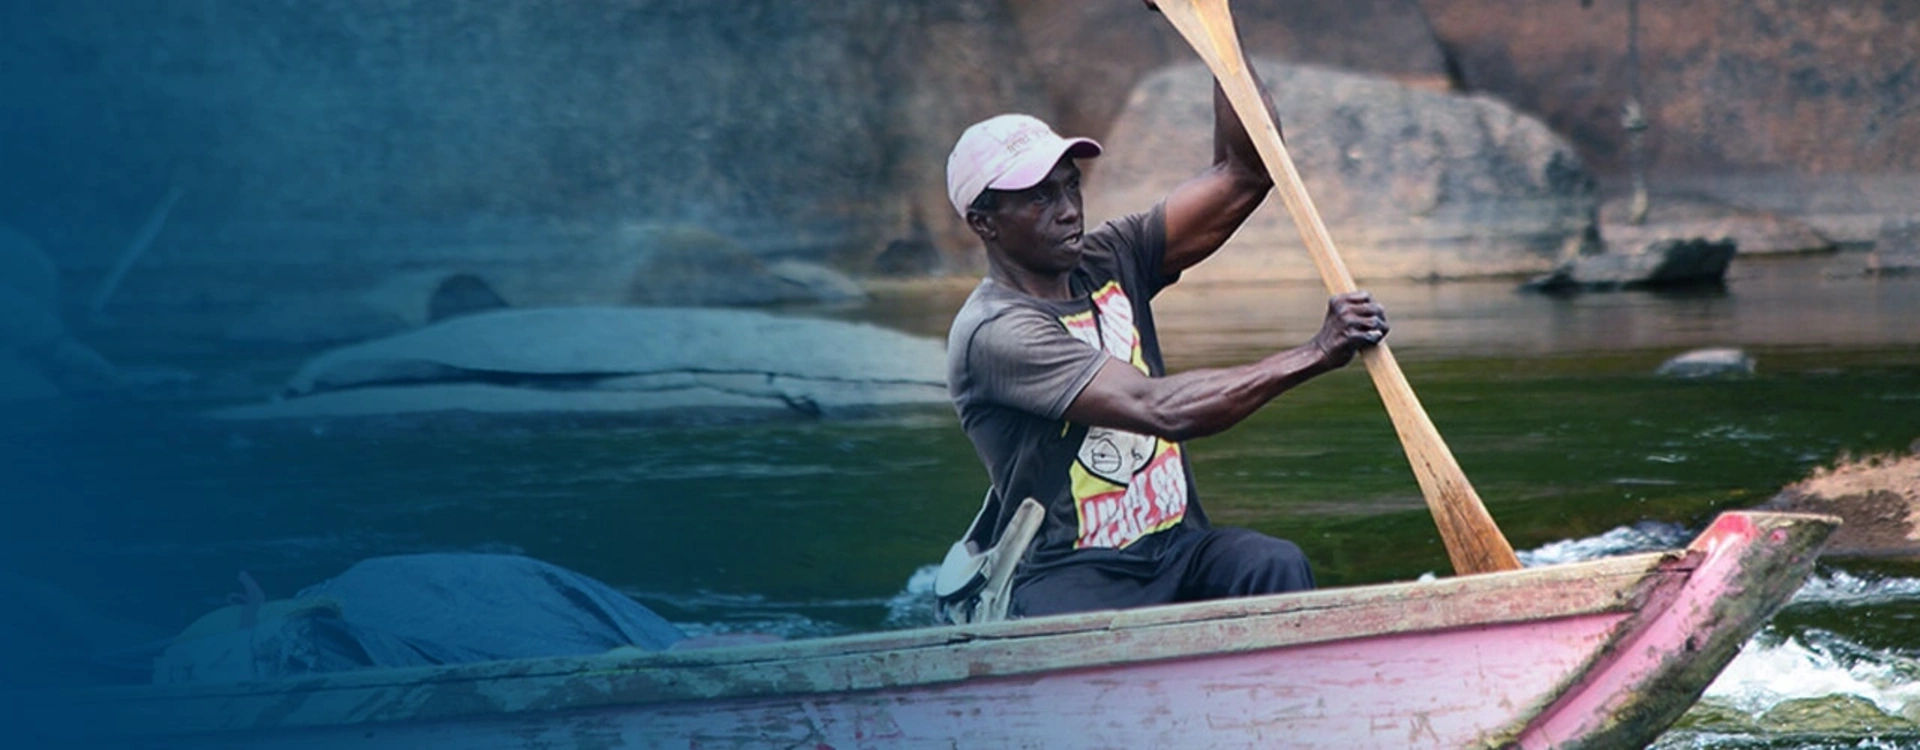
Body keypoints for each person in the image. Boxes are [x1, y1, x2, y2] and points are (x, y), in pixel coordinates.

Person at [941, 64, 1389, 619]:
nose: (1069, 210)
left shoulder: (1109, 258)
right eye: (1039, 199)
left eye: (1071, 185)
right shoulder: (996, 332)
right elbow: (1161, 409)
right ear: (985, 223)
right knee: (1082, 631)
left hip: (1175, 548)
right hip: (1067, 571)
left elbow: (1245, 172)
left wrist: (1213, 30)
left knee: (1272, 563)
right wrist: (1316, 353)